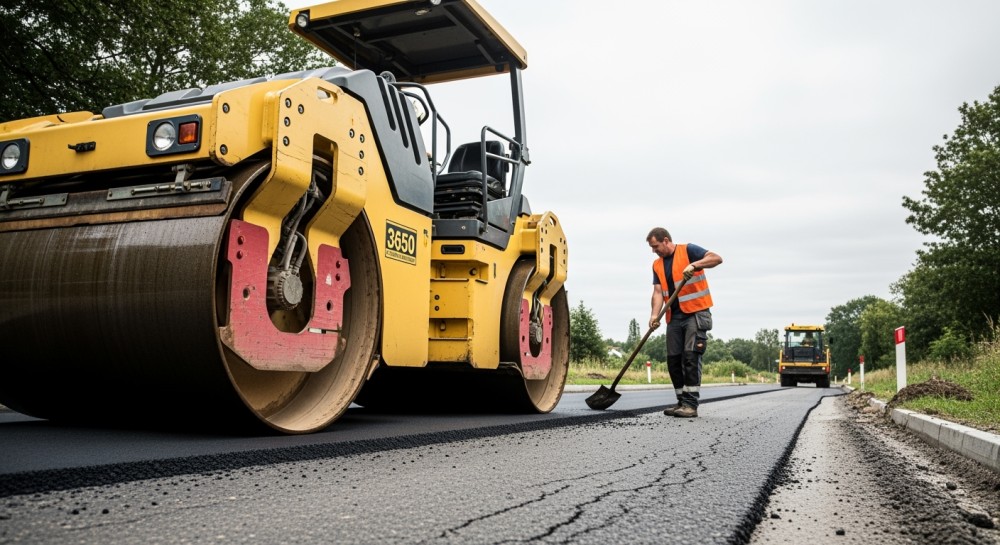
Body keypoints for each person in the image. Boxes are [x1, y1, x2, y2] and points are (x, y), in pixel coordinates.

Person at [647, 227, 723, 418]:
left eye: (656, 246)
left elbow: (716, 258)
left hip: (695, 314)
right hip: (674, 316)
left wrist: (695, 265)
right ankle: (681, 401)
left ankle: (691, 404)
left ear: (666, 240)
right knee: (673, 360)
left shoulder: (688, 250)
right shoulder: (657, 265)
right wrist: (654, 315)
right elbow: (657, 292)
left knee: (690, 357)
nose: (654, 250)